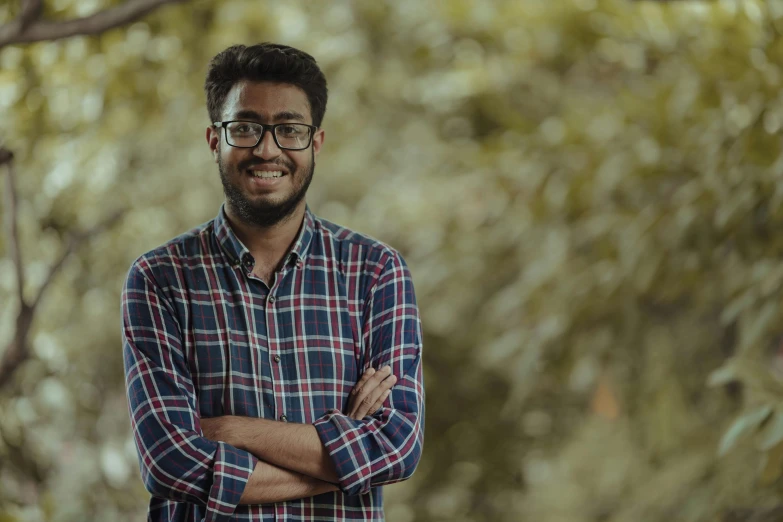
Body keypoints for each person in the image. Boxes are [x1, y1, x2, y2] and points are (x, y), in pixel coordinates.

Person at [121, 43, 424, 521]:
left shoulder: (376, 273)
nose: (267, 149)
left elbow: (397, 447)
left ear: (315, 143)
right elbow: (169, 463)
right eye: (244, 128)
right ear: (213, 139)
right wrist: (346, 462)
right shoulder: (159, 279)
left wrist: (231, 430)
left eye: (289, 129)